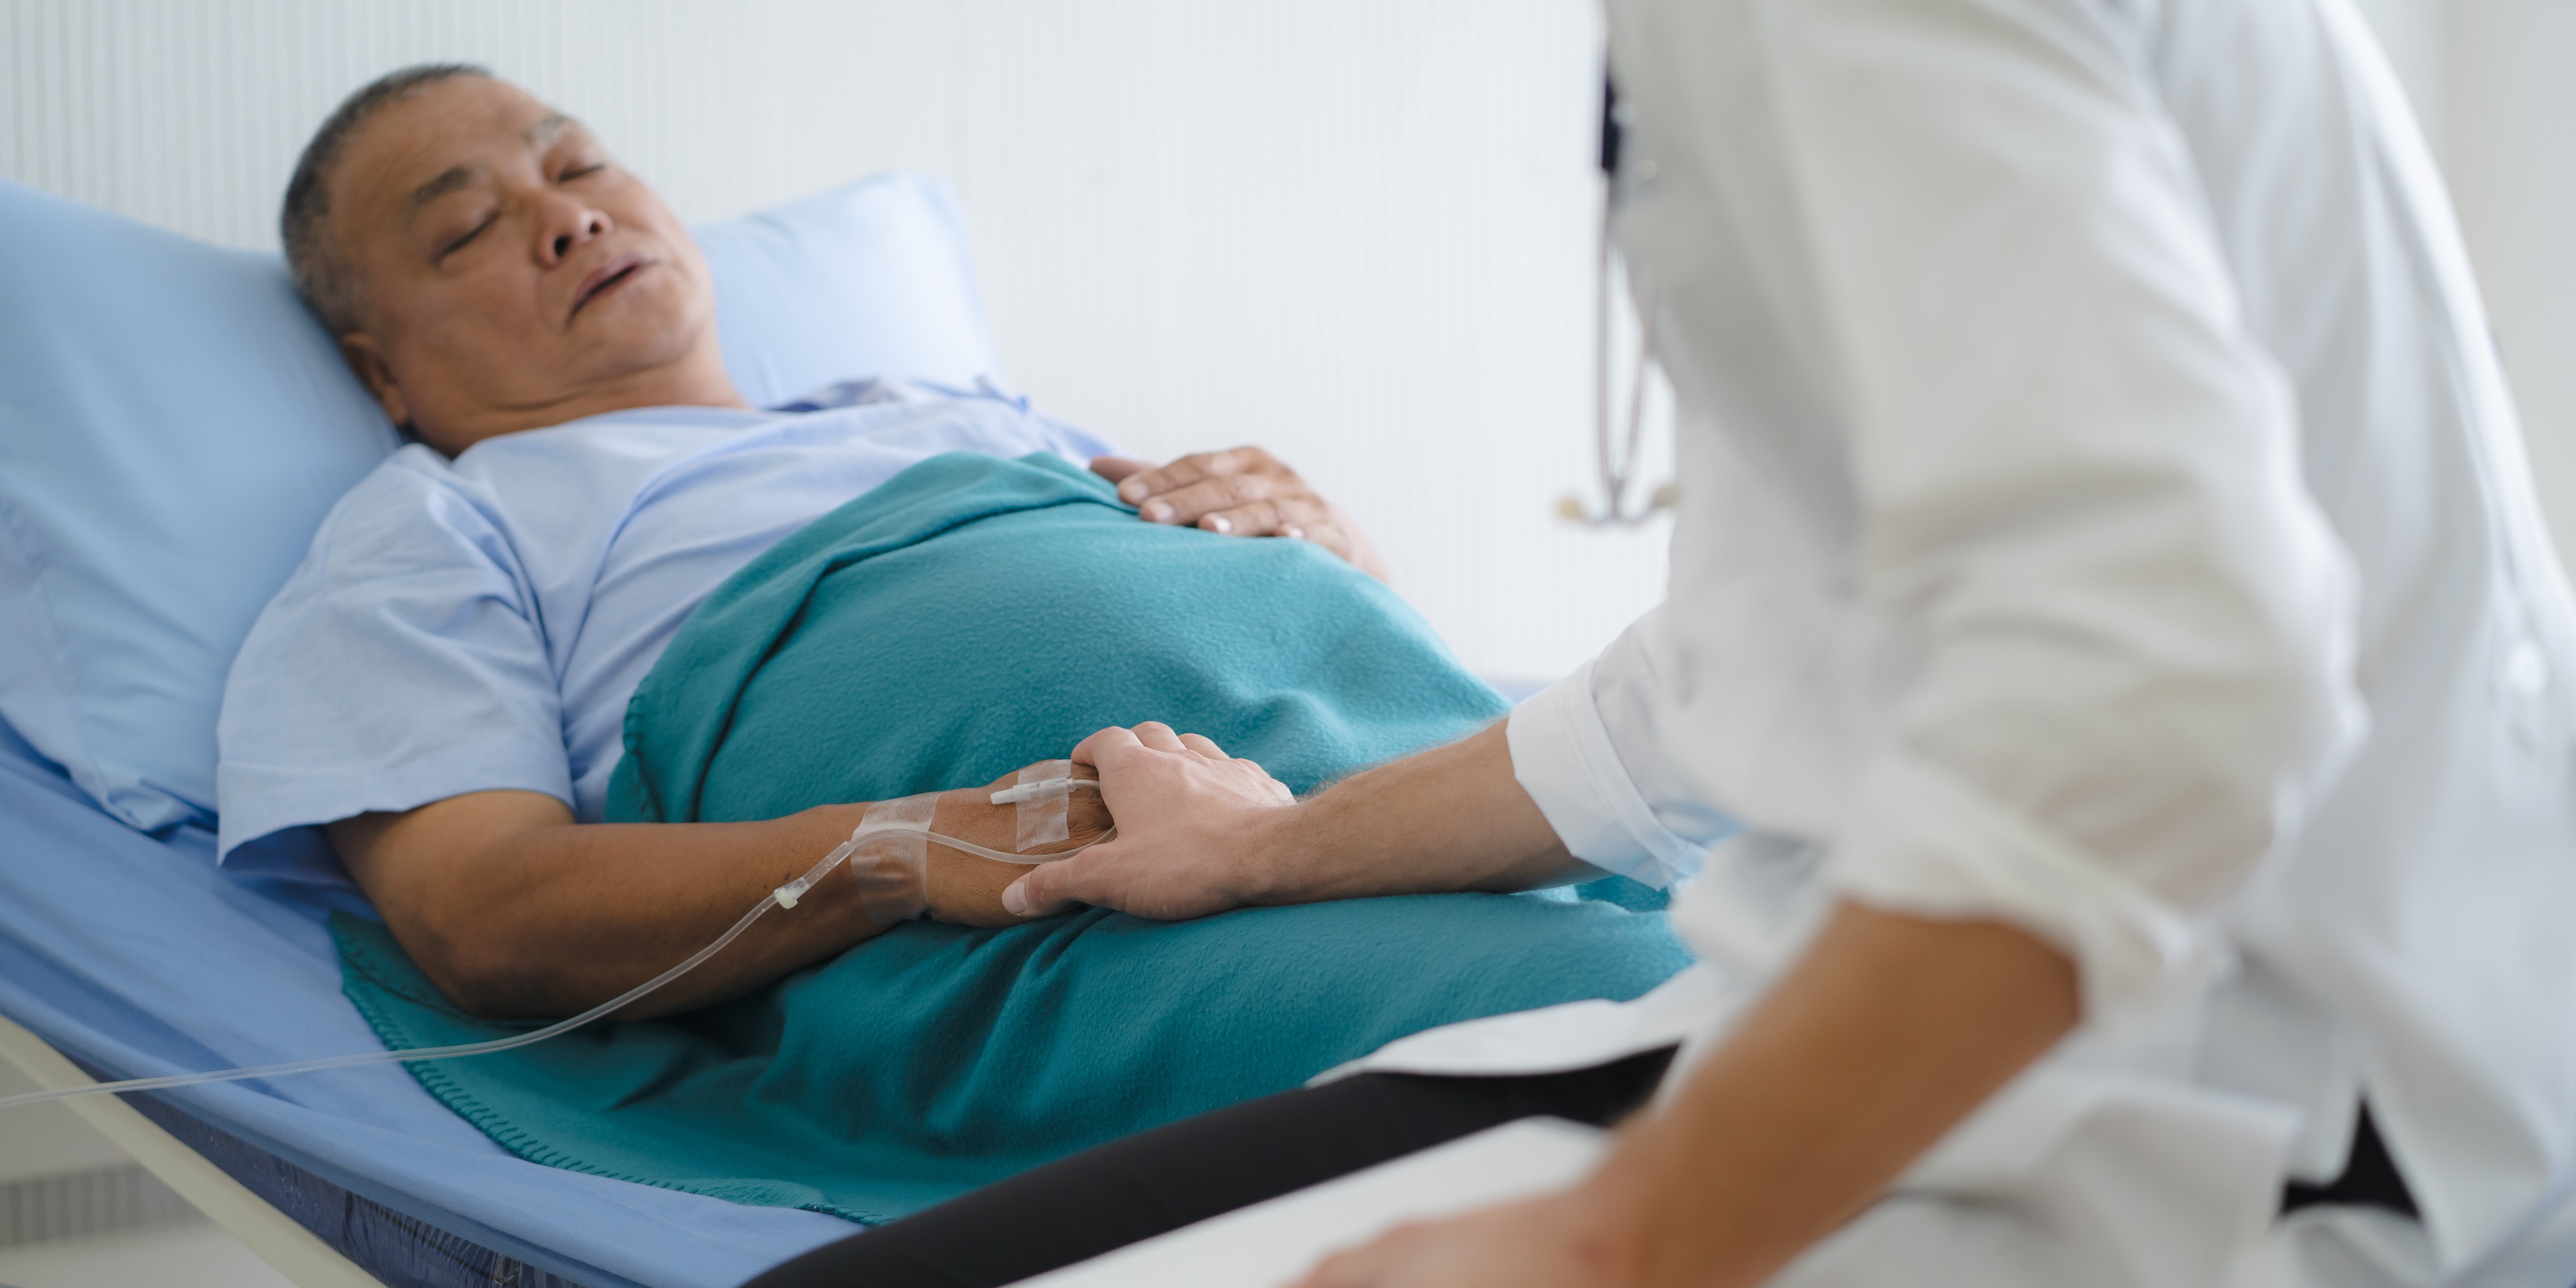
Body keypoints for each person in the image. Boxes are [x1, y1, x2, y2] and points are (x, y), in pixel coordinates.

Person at [749, 2, 2576, 1286]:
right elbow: (1735, 673)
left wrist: (1621, 1248)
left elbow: (2160, 680)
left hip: (2235, 1135)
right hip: (2202, 1029)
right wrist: (1264, 848)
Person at [213, 65, 1388, 1020]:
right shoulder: (436, 524)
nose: (568, 216)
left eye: (578, 165)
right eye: (469, 228)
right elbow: (486, 913)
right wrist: (903, 847)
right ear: (382, 372)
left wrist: (1333, 560)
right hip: (1095, 906)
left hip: (1376, 786)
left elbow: (1257, 625)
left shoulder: (954, 409)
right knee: (1527, 1019)